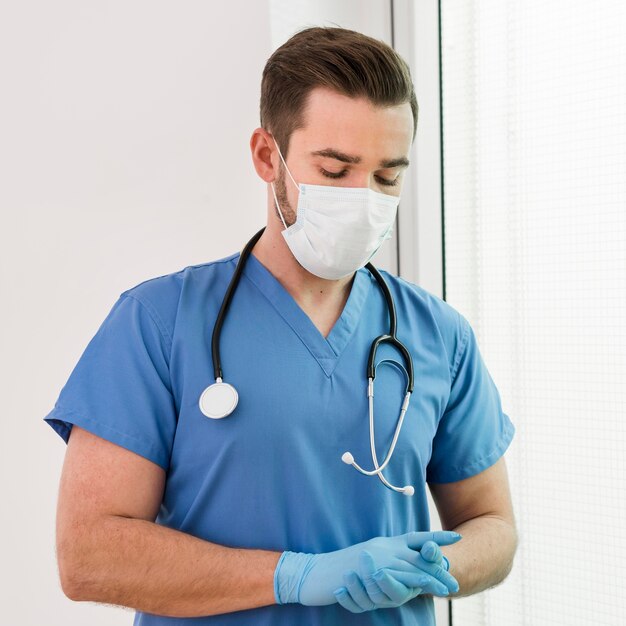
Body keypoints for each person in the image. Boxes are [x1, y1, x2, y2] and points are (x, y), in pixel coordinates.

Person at [44, 26, 517, 625]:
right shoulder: (158, 324)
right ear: (269, 157)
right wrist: (294, 576)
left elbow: (493, 527)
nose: (363, 197)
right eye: (335, 168)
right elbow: (89, 555)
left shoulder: (438, 335)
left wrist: (433, 566)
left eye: (387, 177)